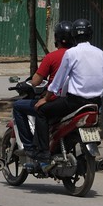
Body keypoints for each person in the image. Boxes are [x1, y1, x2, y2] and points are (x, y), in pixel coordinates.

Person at [33, 18, 103, 160]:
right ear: (90, 35)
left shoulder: (71, 53)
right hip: (96, 103)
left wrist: (45, 99)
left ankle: (43, 153)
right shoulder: (100, 53)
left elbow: (58, 81)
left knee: (41, 111)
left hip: (75, 102)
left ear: (74, 36)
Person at [13, 22, 73, 164]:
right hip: (72, 101)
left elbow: (35, 81)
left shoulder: (51, 57)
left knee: (18, 106)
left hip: (55, 100)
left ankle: (29, 147)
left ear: (56, 38)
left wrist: (26, 84)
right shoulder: (77, 55)